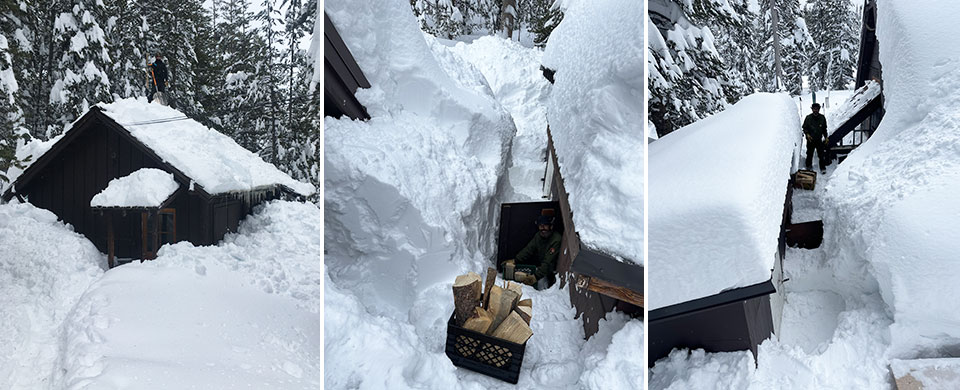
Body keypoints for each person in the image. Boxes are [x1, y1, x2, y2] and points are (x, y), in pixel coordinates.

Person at [508, 215, 562, 287]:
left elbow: (548, 261)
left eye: (545, 226)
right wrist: (516, 260)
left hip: (553, 271)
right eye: (540, 226)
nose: (543, 229)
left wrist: (535, 277)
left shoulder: (556, 239)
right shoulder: (538, 236)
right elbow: (528, 250)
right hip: (543, 268)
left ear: (551, 227)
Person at [802, 103, 829, 174]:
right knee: (809, 154)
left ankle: (822, 168)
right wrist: (807, 134)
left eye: (817, 109)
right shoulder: (808, 118)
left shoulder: (822, 118)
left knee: (821, 154)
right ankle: (808, 166)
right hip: (810, 140)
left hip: (818, 140)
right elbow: (804, 128)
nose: (815, 110)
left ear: (819, 109)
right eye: (814, 109)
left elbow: (824, 129)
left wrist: (826, 137)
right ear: (812, 109)